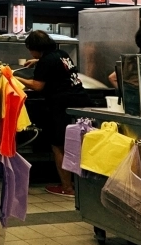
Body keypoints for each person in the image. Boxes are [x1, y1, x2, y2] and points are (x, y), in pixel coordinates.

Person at [16, 30, 91, 197]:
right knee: (78, 145)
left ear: (35, 48)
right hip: (81, 102)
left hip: (62, 105)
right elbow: (55, 65)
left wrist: (14, 77)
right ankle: (82, 186)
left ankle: (67, 187)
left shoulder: (46, 61)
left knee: (59, 146)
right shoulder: (61, 54)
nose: (30, 53)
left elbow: (37, 86)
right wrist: (37, 62)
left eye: (30, 50)